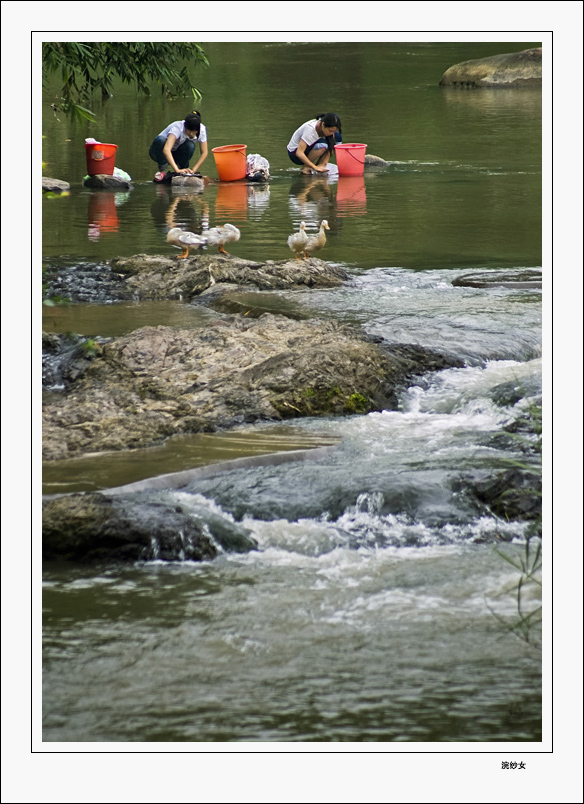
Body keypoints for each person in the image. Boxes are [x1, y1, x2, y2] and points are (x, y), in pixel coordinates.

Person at [149, 111, 208, 182]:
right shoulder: (177, 127)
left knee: (190, 145)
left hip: (175, 153)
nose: (191, 134)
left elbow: (204, 152)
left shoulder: (202, 130)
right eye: (189, 131)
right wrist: (176, 170)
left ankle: (184, 170)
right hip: (158, 153)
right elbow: (166, 149)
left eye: (194, 132)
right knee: (161, 140)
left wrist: (193, 170)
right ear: (185, 126)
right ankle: (162, 170)